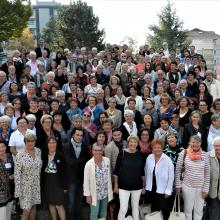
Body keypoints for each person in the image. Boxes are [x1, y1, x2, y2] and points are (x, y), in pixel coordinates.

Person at [175, 135, 210, 220]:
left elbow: (207, 173)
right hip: (187, 186)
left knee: (198, 211)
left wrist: (206, 189)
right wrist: (178, 185)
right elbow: (178, 170)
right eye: (193, 142)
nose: (195, 144)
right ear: (189, 143)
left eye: (197, 142)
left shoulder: (205, 155)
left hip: (201, 188)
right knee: (188, 210)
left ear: (200, 143)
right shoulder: (184, 153)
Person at [114, 135, 145, 220]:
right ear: (128, 143)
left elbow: (142, 172)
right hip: (123, 186)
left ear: (137, 143)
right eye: (131, 142)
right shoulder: (122, 153)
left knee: (135, 208)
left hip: (137, 186)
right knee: (123, 209)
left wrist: (143, 186)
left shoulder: (140, 154)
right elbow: (116, 171)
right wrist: (116, 185)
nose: (133, 144)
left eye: (135, 142)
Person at [62, 127, 89, 220]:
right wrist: (81, 160)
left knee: (79, 202)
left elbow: (87, 162)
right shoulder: (66, 146)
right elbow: (69, 162)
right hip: (70, 179)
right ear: (73, 134)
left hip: (81, 179)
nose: (79, 137)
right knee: (71, 202)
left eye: (81, 135)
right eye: (77, 135)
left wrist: (78, 161)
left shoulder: (85, 146)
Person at [14, 133, 42, 220]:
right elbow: (17, 173)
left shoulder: (38, 151)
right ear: (25, 142)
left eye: (32, 141)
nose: (30, 143)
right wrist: (18, 190)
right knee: (26, 210)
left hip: (36, 184)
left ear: (35, 141)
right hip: (25, 187)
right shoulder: (20, 155)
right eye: (28, 141)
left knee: (34, 207)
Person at [145, 139, 174, 220]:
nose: (157, 149)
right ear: (152, 149)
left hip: (163, 190)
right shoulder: (149, 158)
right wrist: (145, 186)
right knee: (154, 210)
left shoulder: (167, 159)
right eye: (155, 147)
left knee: (165, 210)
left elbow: (171, 177)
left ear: (162, 148)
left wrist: (168, 190)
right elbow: (146, 171)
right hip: (151, 189)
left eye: (159, 147)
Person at [84, 143, 113, 220]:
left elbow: (109, 176)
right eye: (95, 150)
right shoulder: (88, 164)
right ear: (92, 151)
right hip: (94, 194)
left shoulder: (107, 160)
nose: (97, 152)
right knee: (94, 213)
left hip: (105, 192)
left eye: (99, 150)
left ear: (102, 151)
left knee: (103, 213)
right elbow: (86, 181)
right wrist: (87, 195)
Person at [41, 137, 67, 220]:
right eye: (50, 143)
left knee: (59, 204)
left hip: (58, 183)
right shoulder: (44, 155)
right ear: (47, 144)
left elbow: (66, 172)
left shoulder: (61, 155)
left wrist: (65, 186)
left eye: (54, 142)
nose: (52, 144)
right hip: (48, 182)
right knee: (51, 203)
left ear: (56, 144)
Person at [0, 141, 14, 220]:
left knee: (8, 213)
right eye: (0, 147)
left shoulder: (9, 156)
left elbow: (13, 169)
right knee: (2, 215)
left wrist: (13, 175)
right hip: (1, 191)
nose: (1, 149)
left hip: (10, 189)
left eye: (3, 146)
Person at [208, 137, 220, 220]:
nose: (218, 148)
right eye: (216, 146)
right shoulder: (208, 156)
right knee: (214, 214)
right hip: (213, 190)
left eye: (219, 146)